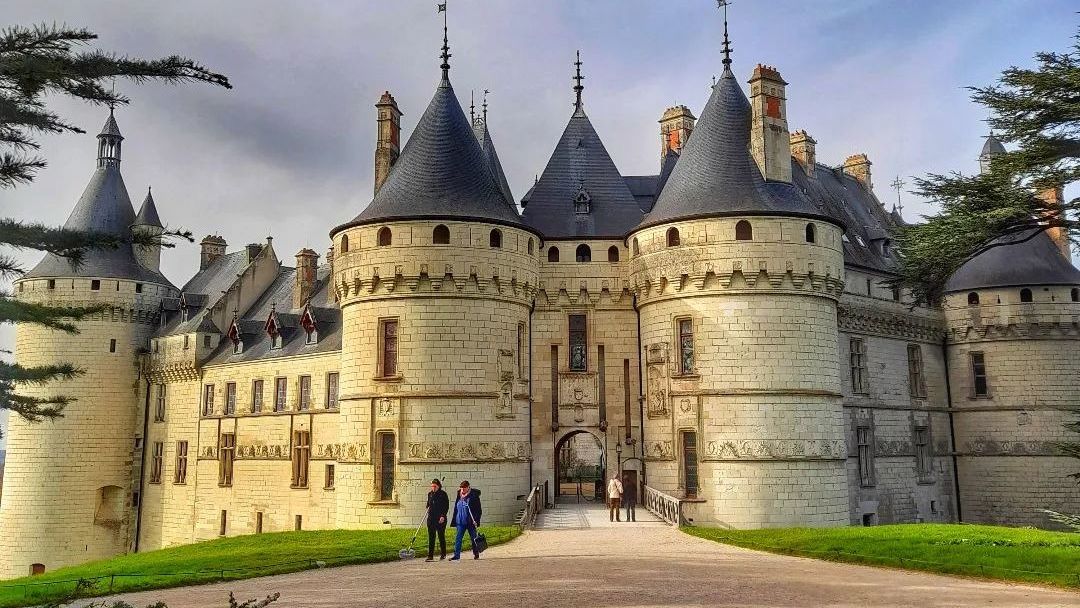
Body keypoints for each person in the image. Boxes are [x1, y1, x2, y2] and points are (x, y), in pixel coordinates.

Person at [450, 480, 482, 561]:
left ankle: (476, 553)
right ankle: (456, 555)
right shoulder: (459, 494)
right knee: (458, 539)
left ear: (468, 487)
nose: (462, 490)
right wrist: (455, 519)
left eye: (464, 488)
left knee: (474, 538)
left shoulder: (474, 496)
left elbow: (478, 510)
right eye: (461, 488)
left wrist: (476, 520)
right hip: (460, 522)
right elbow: (456, 507)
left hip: (471, 522)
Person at [425, 478, 449, 561]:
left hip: (440, 518)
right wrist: (427, 506)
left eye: (435, 486)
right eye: (432, 486)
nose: (433, 488)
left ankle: (443, 554)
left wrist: (443, 516)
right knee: (431, 537)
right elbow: (428, 504)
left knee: (441, 536)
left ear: (438, 486)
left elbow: (446, 506)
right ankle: (430, 556)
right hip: (431, 519)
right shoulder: (430, 494)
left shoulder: (443, 494)